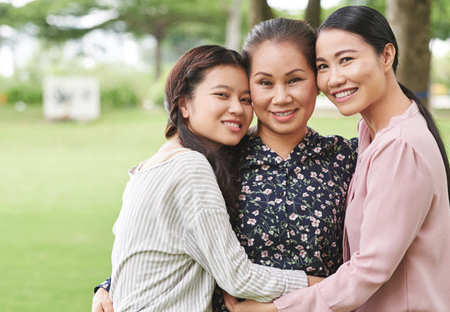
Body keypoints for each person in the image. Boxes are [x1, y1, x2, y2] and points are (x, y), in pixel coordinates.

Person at [92, 19, 358, 312]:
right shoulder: (215, 158)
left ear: (317, 82)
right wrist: (110, 286)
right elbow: (162, 238)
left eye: (294, 79)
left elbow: (379, 254)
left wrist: (334, 289)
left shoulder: (348, 158)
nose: (281, 97)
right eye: (265, 83)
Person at [224, 6, 450, 312]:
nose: (335, 78)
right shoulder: (369, 141)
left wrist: (276, 308)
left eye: (346, 60)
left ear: (386, 56)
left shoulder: (389, 149)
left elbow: (369, 269)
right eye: (324, 66)